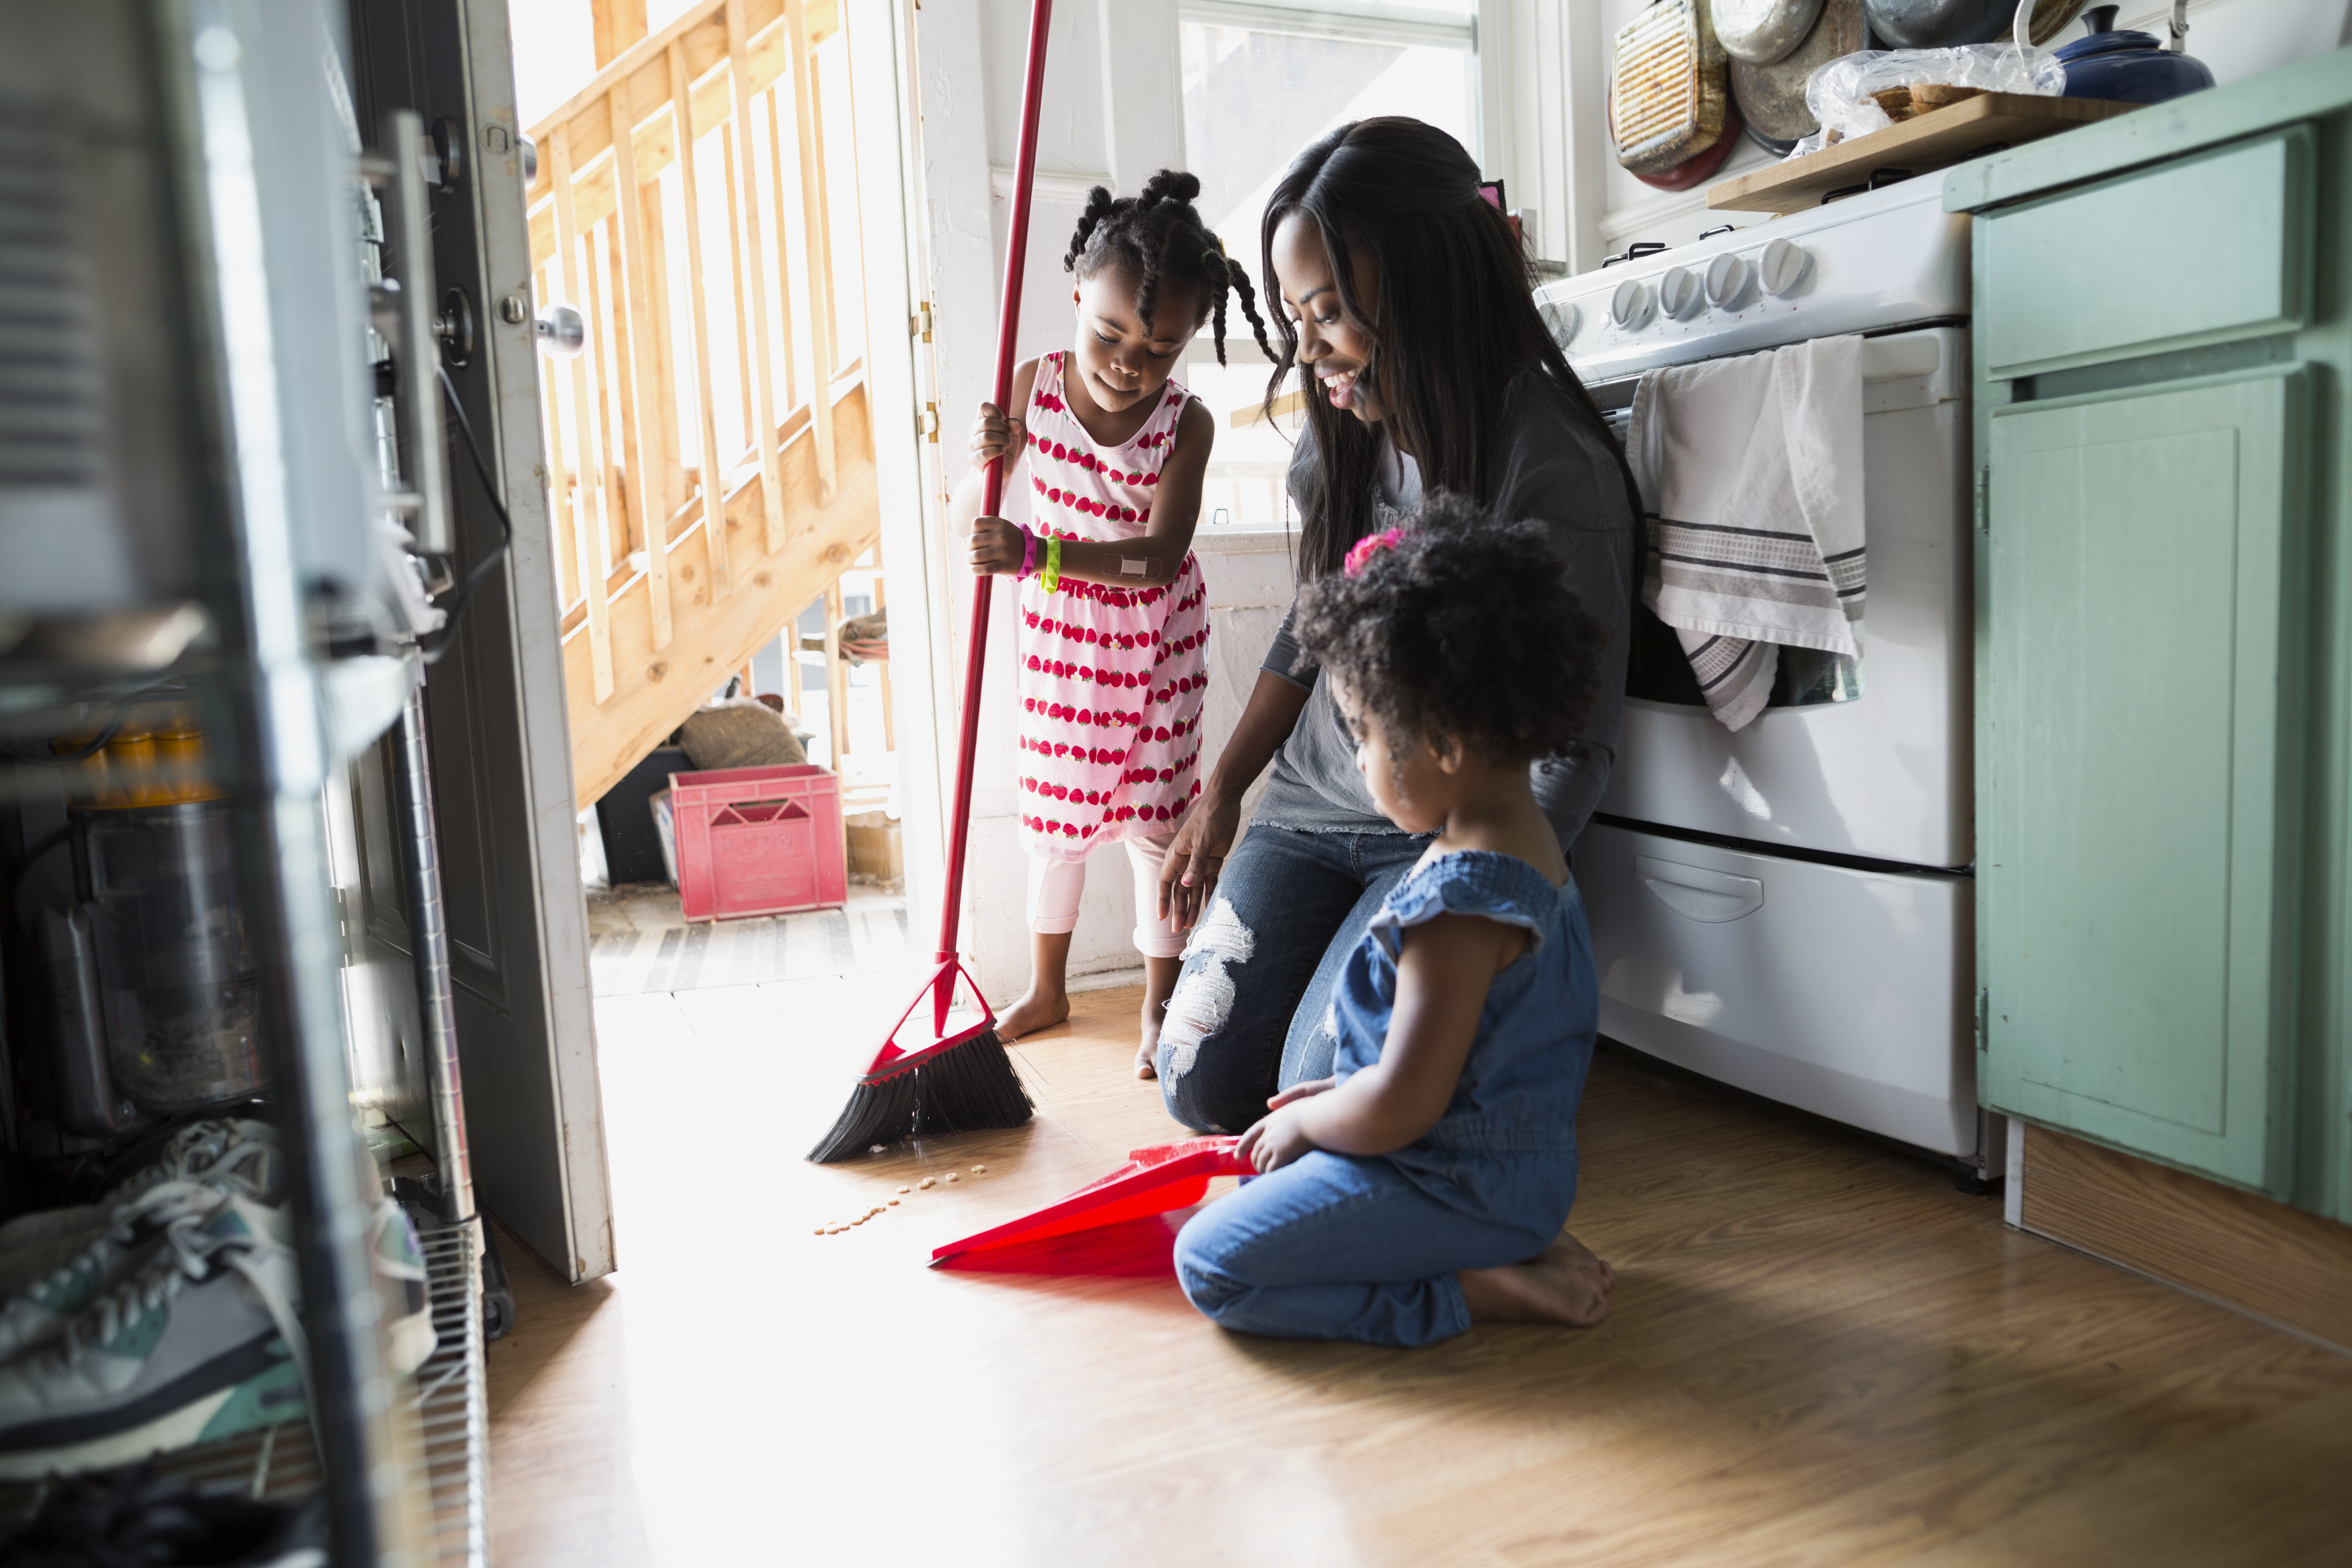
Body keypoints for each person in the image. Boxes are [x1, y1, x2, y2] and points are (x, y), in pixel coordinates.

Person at [1152, 118, 1641, 1131]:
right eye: (1296, 317)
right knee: (1198, 1077)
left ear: (1427, 286)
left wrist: (1473, 908)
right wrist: (1225, 792)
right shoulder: (1341, 444)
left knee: (1322, 1092)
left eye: (1330, 313)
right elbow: (1309, 630)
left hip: (1442, 831)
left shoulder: (1548, 471)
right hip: (1310, 813)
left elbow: (1573, 750)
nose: (1309, 349)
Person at [1173, 500, 1617, 1343]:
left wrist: (1315, 1118)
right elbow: (1473, 1060)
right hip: (1518, 1178)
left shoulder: (1455, 902)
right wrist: (1338, 1094)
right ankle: (1517, 1245)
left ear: (1445, 743)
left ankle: (1470, 1291)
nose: (1362, 763)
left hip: (1454, 1185)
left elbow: (1406, 1108)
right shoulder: (1533, 853)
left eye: (1365, 735)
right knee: (1266, 1175)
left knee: (1211, 1262)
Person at [954, 170, 1273, 1062]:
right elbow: (967, 514)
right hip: (1062, 649)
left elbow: (1161, 558)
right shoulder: (1034, 386)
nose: (1131, 361)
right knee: (1056, 823)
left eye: (1161, 348)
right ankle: (1047, 989)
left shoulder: (1187, 425)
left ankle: (1158, 1002)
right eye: (1110, 333)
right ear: (1077, 296)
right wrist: (987, 457)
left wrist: (1041, 555)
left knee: (1155, 824)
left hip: (1155, 647)